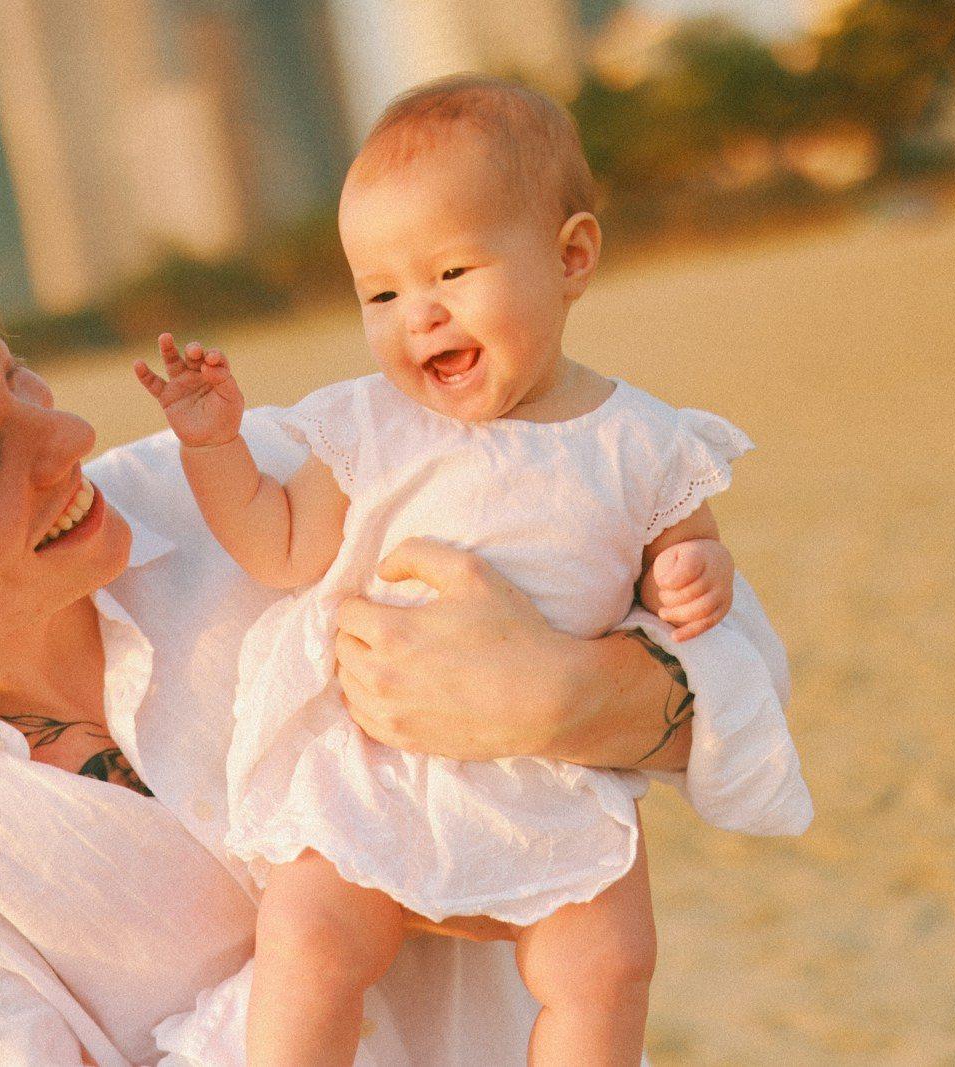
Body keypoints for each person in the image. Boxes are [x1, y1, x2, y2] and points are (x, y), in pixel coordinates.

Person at [0, 241, 810, 1065]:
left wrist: (578, 700)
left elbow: (734, 655)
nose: (69, 434)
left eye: (20, 380)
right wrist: (349, 905)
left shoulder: (253, 490)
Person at [135, 74, 808, 1066]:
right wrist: (212, 446)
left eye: (452, 272)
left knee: (611, 960)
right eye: (382, 291)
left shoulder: (639, 437)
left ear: (571, 257)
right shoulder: (370, 425)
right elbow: (279, 545)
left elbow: (683, 541)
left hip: (552, 772)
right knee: (311, 937)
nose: (418, 315)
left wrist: (693, 565)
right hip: (375, 763)